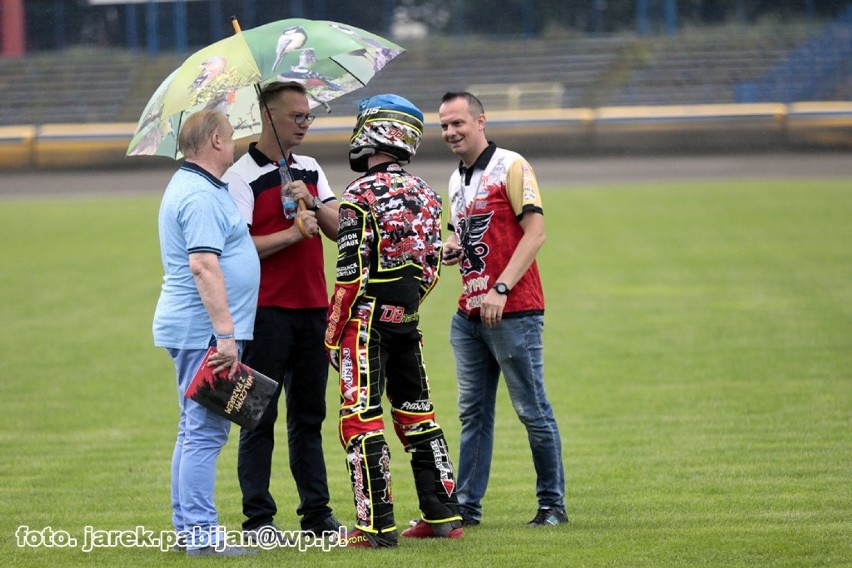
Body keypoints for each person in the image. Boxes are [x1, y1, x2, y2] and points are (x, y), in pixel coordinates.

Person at [325, 94, 464, 548]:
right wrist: (404, 309)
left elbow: (349, 277)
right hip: (407, 320)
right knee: (418, 415)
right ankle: (444, 515)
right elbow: (430, 271)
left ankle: (376, 527)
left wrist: (332, 334)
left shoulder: (357, 195)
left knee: (360, 421)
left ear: (372, 132)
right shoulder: (428, 194)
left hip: (363, 325)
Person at [437, 91, 568, 528]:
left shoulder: (511, 165)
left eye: (458, 123)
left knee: (533, 410)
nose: (451, 132)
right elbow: (468, 235)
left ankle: (552, 505)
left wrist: (501, 286)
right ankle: (467, 508)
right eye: (444, 126)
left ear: (480, 121)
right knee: (473, 413)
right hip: (469, 315)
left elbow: (536, 232)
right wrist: (453, 247)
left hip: (514, 310)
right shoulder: (455, 180)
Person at [222, 81, 342, 542]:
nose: (305, 123)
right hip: (264, 314)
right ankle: (259, 519)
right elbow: (237, 249)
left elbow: (339, 228)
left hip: (314, 309)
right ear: (269, 117)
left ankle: (316, 514)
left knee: (309, 417)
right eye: (297, 116)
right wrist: (292, 234)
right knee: (257, 418)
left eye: (308, 116)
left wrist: (311, 202)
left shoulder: (309, 168)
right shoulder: (240, 177)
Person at [152, 110, 259, 557]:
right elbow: (203, 264)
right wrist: (226, 335)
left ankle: (188, 530)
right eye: (231, 137)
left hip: (197, 329)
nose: (234, 145)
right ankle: (200, 535)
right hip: (204, 333)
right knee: (205, 432)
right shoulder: (198, 194)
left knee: (193, 429)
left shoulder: (200, 187)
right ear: (215, 140)